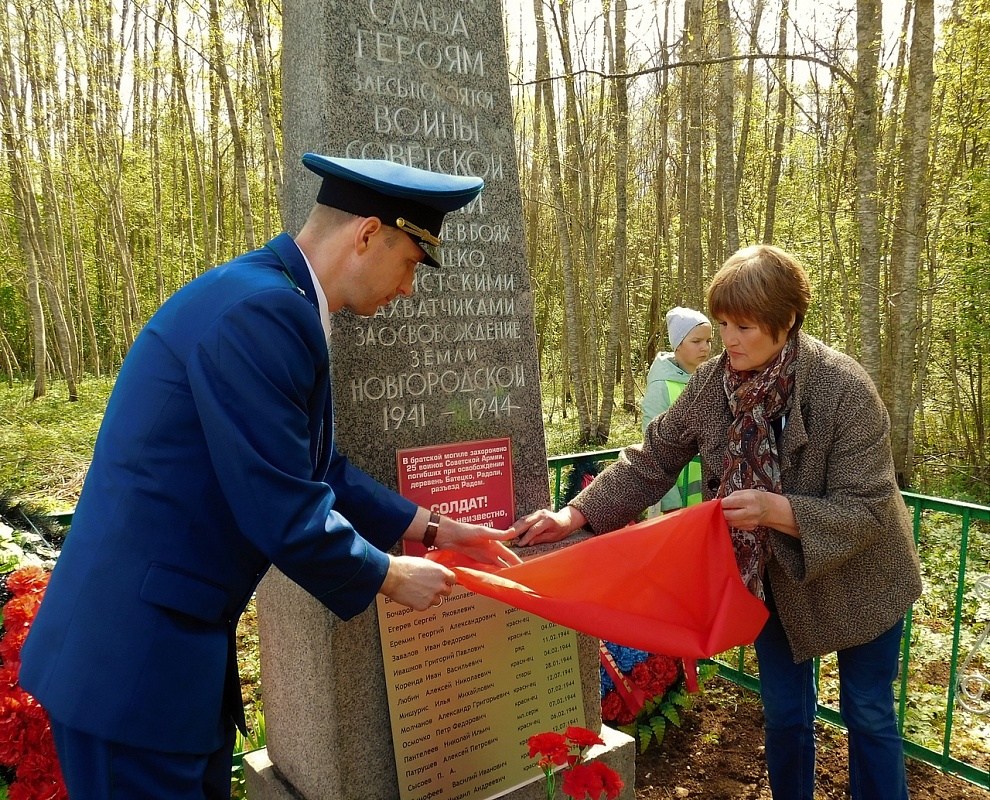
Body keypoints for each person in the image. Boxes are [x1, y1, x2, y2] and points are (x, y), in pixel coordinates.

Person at [19, 154, 521, 799]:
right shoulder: (264, 311)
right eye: (410, 264)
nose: (407, 289)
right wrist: (390, 576)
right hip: (134, 669)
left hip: (168, 658)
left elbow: (316, 467)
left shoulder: (270, 295)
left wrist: (434, 528)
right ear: (368, 234)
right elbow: (280, 506)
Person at [512, 244, 923, 800]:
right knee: (785, 714)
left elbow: (868, 508)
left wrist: (773, 509)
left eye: (744, 326)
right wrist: (576, 513)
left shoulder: (842, 388)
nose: (729, 339)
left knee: (868, 713)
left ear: (787, 321)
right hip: (775, 579)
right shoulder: (713, 383)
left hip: (862, 576)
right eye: (722, 323)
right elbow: (653, 459)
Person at [640, 306, 712, 513]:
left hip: (711, 498)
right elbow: (652, 447)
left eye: (708, 341)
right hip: (678, 502)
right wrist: (671, 503)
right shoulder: (661, 386)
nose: (705, 348)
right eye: (696, 341)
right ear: (678, 344)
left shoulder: (711, 378)